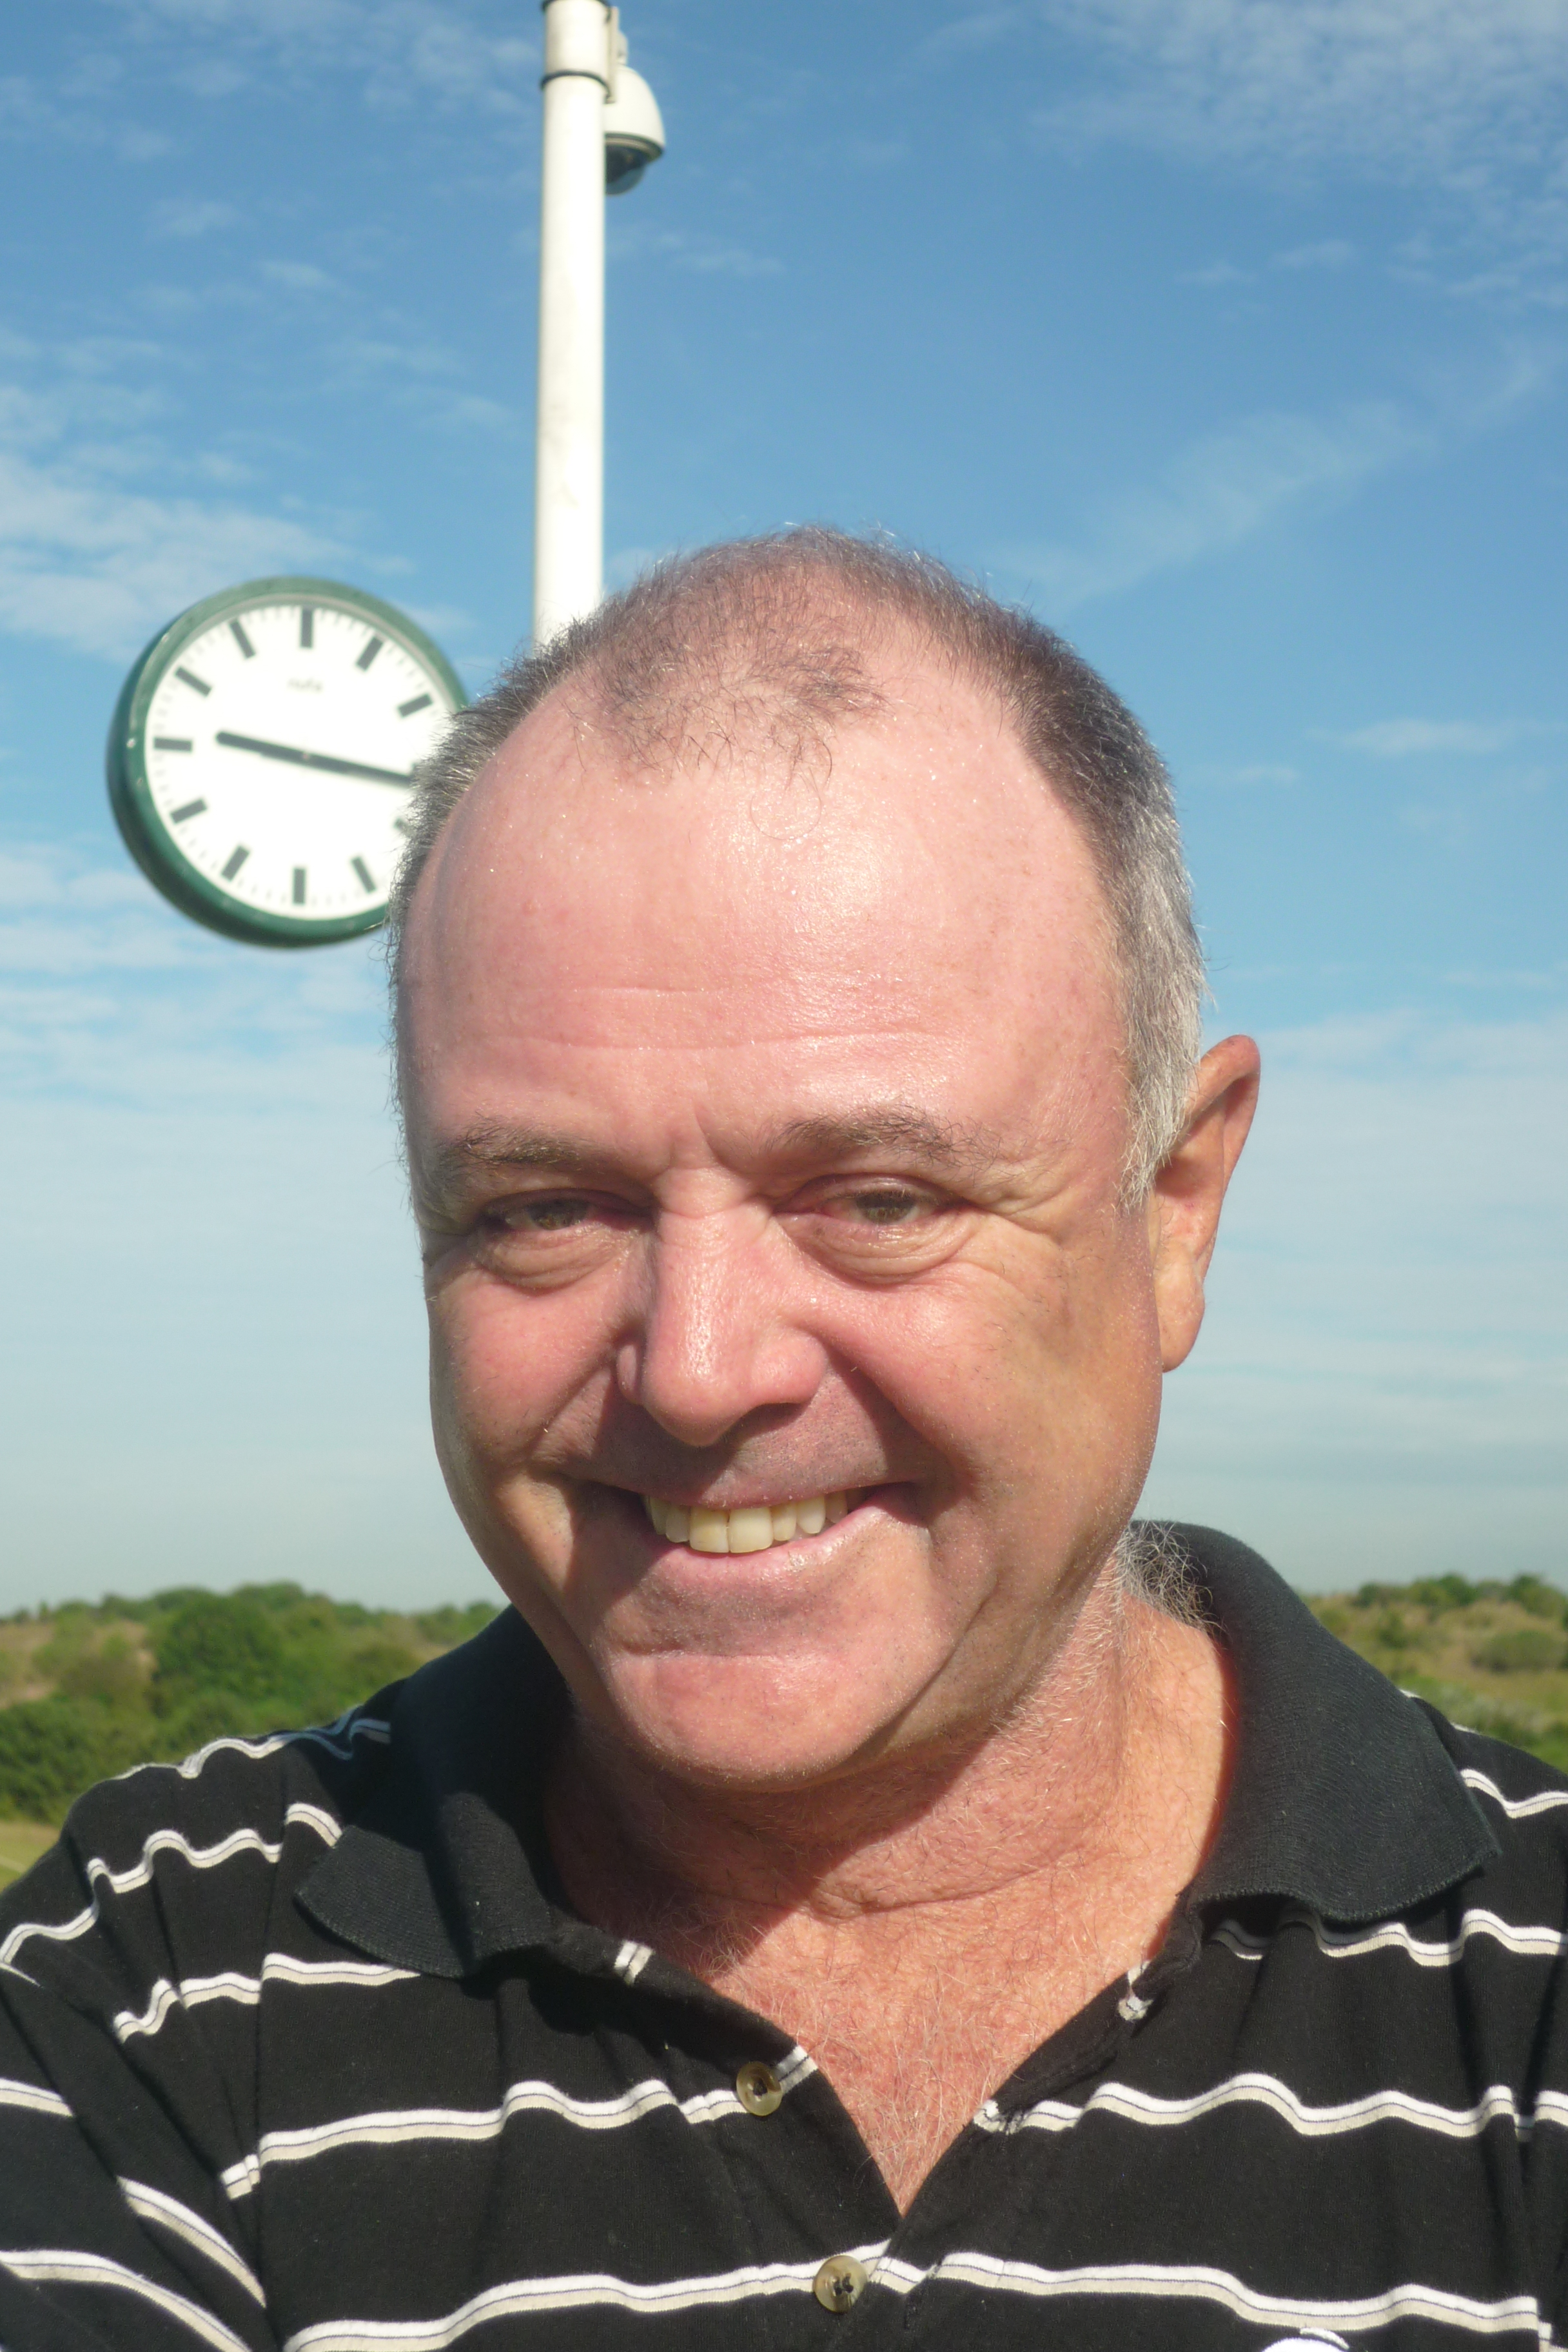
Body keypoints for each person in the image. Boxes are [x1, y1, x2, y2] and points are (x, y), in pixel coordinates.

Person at [3, 531, 1566, 2352]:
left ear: (1174, 1212)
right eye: (544, 1209)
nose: (696, 1371)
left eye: (878, 1197)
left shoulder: (1528, 1999)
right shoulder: (149, 1989)